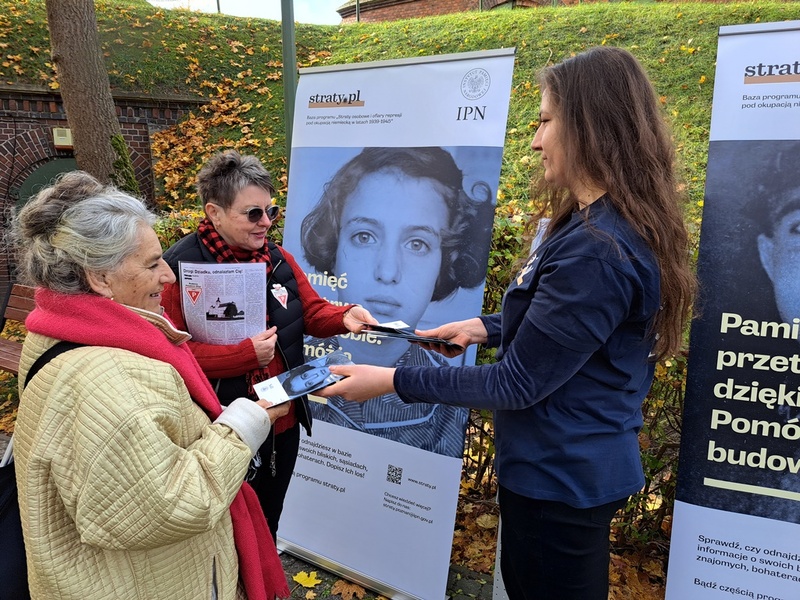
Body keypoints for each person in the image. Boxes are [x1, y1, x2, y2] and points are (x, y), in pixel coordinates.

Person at [317, 47, 696, 600]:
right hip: (559, 470)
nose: (536, 141)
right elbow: (569, 323)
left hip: (561, 479)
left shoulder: (597, 249)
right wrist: (487, 327)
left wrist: (392, 381)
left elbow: (516, 382)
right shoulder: (591, 225)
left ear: (589, 127)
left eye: (545, 121)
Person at [11, 171, 290, 600]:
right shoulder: (107, 376)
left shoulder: (60, 329)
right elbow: (172, 504)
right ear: (100, 277)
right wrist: (248, 423)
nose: (169, 276)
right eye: (151, 263)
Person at [161, 150, 375, 540]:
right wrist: (242, 356)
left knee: (267, 522)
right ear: (214, 213)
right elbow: (168, 355)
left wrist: (345, 316)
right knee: (226, 536)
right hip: (219, 427)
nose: (266, 223)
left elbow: (310, 311)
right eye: (253, 214)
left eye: (271, 211)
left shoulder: (276, 257)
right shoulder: (177, 268)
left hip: (282, 419)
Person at [300, 146, 495, 458]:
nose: (387, 272)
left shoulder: (448, 408)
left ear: (444, 263)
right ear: (333, 250)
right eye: (365, 237)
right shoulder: (288, 360)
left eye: (417, 244)